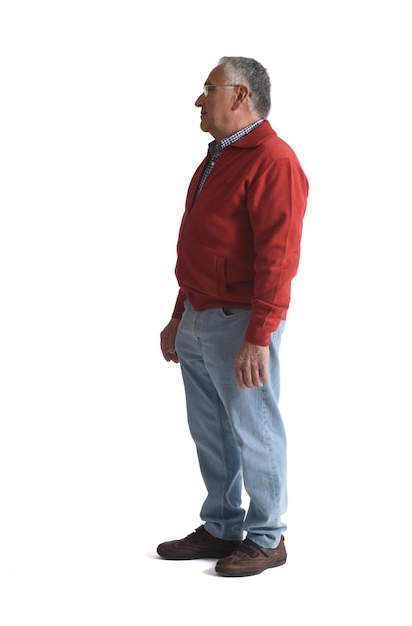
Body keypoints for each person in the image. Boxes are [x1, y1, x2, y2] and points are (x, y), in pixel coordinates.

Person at [157, 56, 309, 577]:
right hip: (201, 314)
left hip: (241, 321)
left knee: (255, 426)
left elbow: (279, 255)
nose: (200, 99)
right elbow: (200, 245)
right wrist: (180, 314)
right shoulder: (218, 158)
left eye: (209, 88)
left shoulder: (272, 159)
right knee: (211, 430)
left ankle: (268, 537)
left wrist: (259, 334)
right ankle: (222, 525)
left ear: (240, 96)